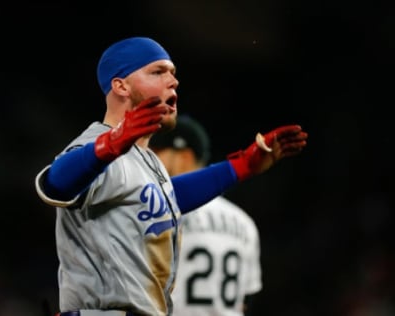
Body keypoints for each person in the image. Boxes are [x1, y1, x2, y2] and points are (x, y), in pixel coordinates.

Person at [34, 36, 308, 316]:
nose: (173, 81)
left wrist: (240, 167)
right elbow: (56, 184)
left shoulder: (145, 158)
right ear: (121, 86)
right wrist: (109, 145)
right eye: (157, 71)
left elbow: (167, 198)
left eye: (173, 74)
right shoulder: (97, 145)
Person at [150, 115, 262, 316]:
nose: (151, 162)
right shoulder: (244, 223)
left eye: (157, 153)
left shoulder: (159, 213)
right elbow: (246, 300)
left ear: (184, 157)